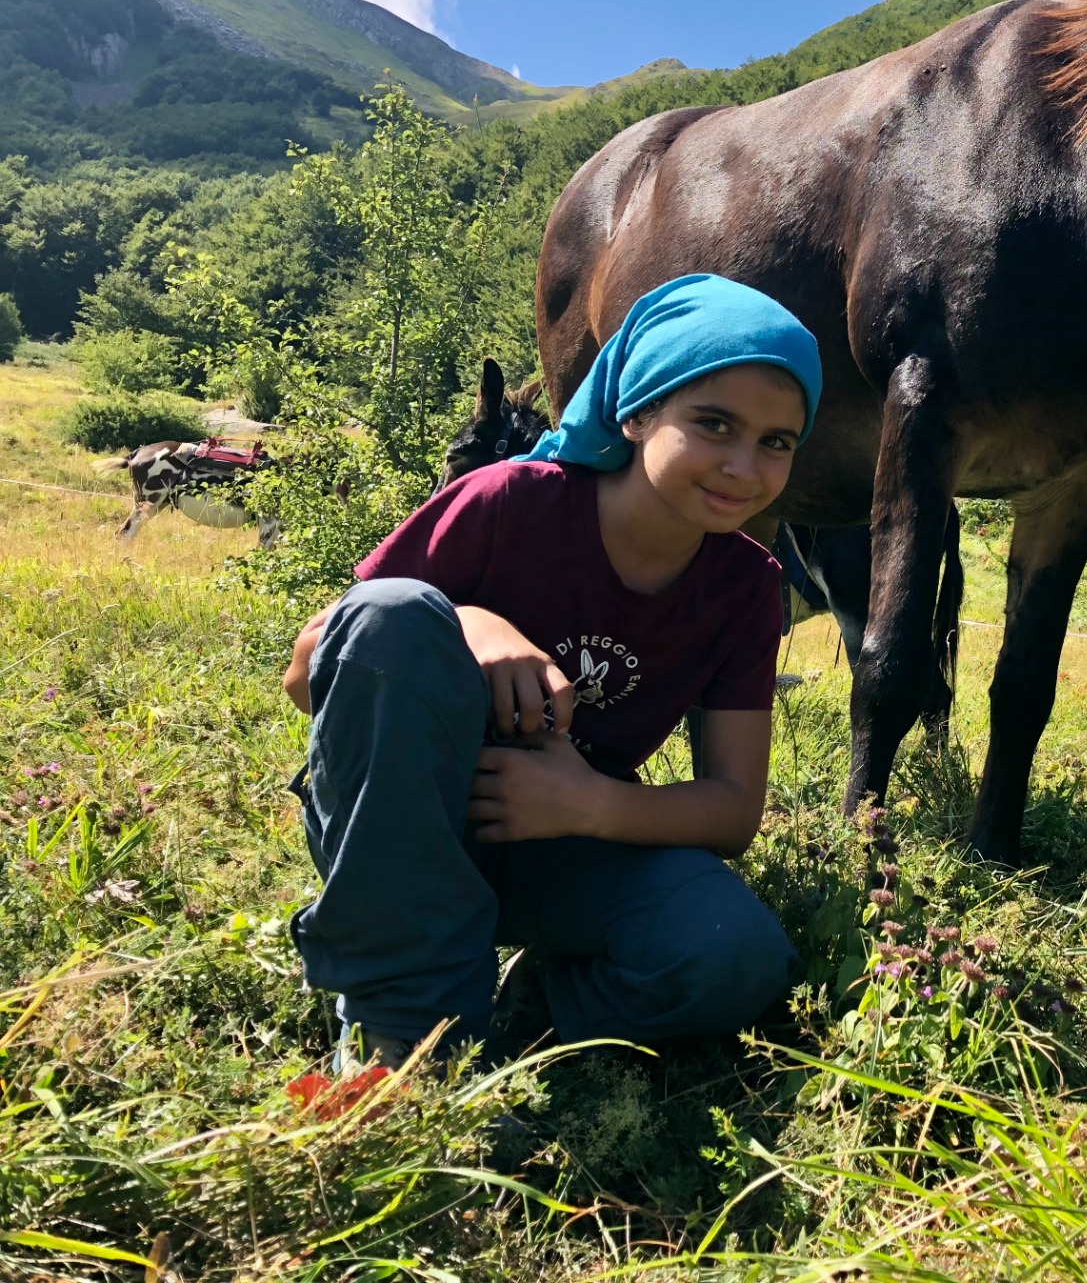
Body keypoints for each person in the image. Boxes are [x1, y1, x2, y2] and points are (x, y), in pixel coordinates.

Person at [281, 274, 823, 1067]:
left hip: (562, 844)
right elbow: (310, 672)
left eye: (777, 442)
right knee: (394, 607)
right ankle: (405, 1034)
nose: (745, 465)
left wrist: (589, 804)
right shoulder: (508, 503)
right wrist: (467, 621)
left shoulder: (744, 586)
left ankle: (527, 1014)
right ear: (637, 413)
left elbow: (733, 810)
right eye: (714, 424)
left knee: (732, 953)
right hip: (403, 823)